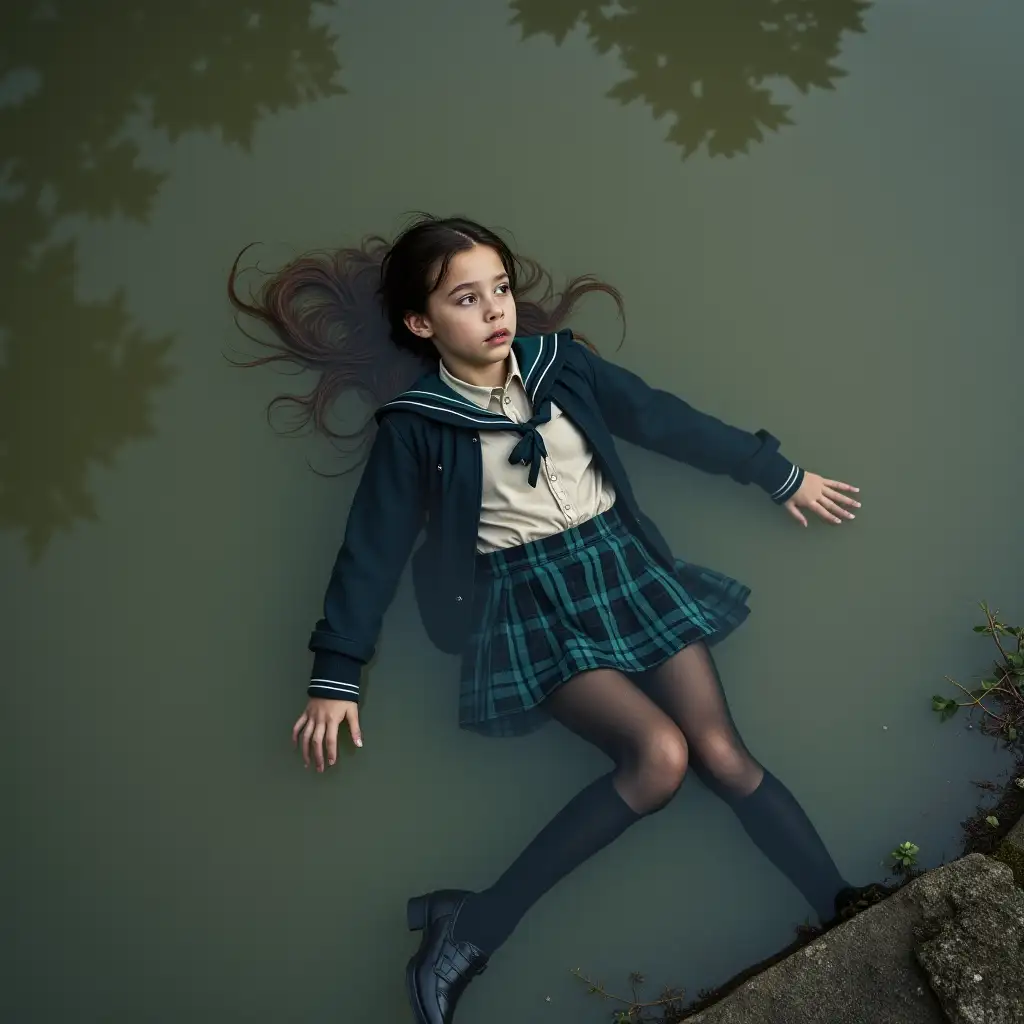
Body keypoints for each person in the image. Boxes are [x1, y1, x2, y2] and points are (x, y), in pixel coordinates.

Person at [230, 214, 887, 1024]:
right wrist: (336, 676)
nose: (496, 309)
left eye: (500, 288)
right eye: (467, 299)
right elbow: (370, 553)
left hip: (623, 567)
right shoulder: (417, 429)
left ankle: (847, 904)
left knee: (720, 752)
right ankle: (471, 928)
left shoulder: (561, 364)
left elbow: (665, 420)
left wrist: (776, 473)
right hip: (527, 600)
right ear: (420, 322)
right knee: (659, 757)